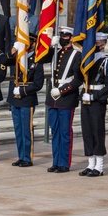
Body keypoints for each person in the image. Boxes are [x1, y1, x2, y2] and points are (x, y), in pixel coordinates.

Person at [44, 27, 81, 173]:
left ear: (71, 38)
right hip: (53, 98)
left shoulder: (76, 55)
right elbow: (42, 59)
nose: (62, 37)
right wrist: (49, 45)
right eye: (61, 35)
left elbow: (78, 79)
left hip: (66, 98)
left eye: (65, 35)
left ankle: (64, 163)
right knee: (55, 132)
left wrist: (62, 90)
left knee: (65, 132)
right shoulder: (55, 53)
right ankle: (56, 161)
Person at [78, 35, 108, 177]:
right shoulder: (87, 60)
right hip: (85, 97)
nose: (93, 46)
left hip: (97, 100)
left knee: (97, 131)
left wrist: (94, 96)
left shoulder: (107, 62)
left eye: (97, 44)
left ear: (103, 45)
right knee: (87, 131)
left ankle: (99, 166)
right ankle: (90, 163)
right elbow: (78, 76)